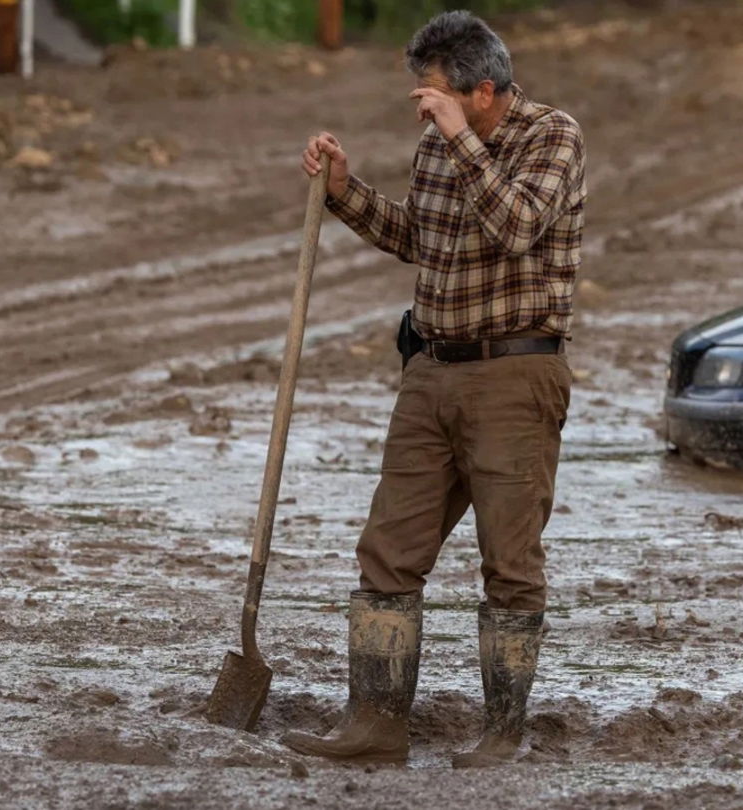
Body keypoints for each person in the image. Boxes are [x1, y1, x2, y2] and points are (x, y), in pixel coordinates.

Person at [281, 10, 585, 768]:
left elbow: (515, 225)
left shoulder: (553, 137)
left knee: (510, 563)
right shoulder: (436, 141)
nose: (422, 105)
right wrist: (348, 193)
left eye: (436, 93)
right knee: (388, 551)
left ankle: (503, 734)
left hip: (517, 373)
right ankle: (376, 726)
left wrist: (459, 138)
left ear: (485, 90)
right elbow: (421, 240)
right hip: (431, 369)